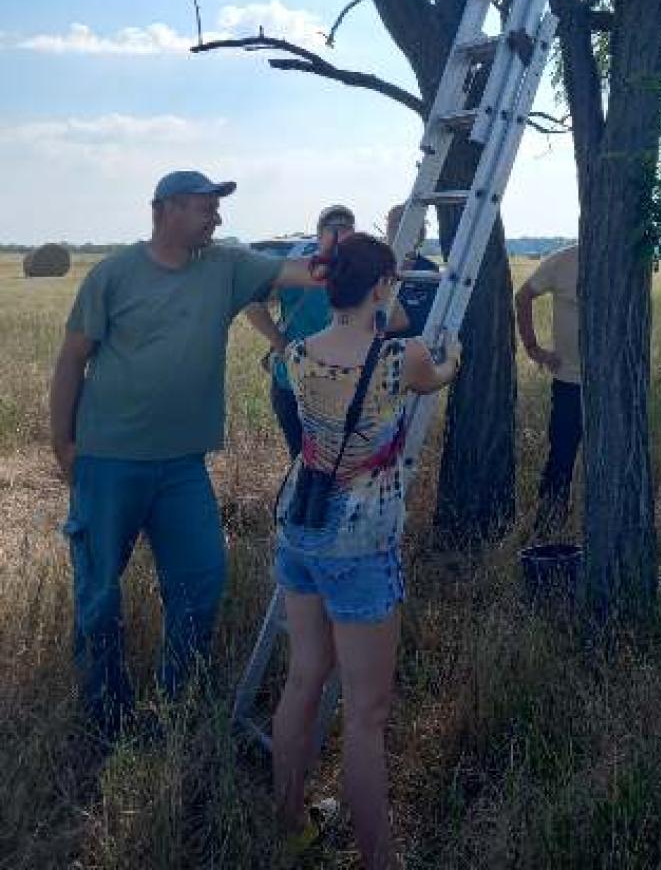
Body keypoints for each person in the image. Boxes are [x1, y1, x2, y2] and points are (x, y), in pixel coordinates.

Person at [47, 170, 326, 738]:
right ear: (166, 209)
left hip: (182, 465)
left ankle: (175, 709)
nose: (217, 218)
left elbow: (306, 273)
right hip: (108, 459)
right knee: (99, 593)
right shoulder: (114, 275)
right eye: (206, 207)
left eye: (216, 209)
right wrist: (63, 444)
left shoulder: (226, 268)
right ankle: (106, 715)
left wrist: (364, 262)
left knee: (201, 580)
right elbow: (72, 358)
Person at [272, 233, 458, 870]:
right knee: (366, 716)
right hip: (359, 543)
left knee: (303, 677)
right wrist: (452, 354)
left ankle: (290, 820)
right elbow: (437, 378)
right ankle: (381, 859)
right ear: (381, 288)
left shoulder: (297, 354)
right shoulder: (399, 358)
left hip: (301, 527)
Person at [244, 204, 359, 457]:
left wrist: (281, 345)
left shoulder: (354, 271)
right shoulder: (303, 269)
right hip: (301, 381)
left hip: (321, 381)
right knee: (318, 464)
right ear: (319, 235)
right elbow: (251, 300)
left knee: (314, 464)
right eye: (333, 229)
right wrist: (281, 344)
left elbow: (251, 300)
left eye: (344, 229)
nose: (338, 236)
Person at [514, 243, 582, 535]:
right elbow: (523, 296)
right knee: (561, 457)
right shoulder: (564, 260)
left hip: (611, 388)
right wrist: (533, 348)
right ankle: (549, 527)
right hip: (569, 382)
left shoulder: (624, 256)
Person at [383, 202, 439, 341]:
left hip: (419, 348)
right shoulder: (374, 267)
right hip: (382, 350)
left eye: (403, 224)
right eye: (393, 224)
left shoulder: (430, 269)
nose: (397, 230)